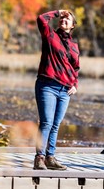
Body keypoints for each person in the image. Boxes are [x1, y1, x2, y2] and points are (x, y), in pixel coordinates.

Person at [33, 9, 80, 171]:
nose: (64, 20)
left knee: (55, 125)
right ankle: (39, 158)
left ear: (73, 25)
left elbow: (75, 67)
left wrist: (75, 84)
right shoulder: (50, 35)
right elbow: (41, 18)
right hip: (47, 85)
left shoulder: (74, 45)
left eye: (68, 19)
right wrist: (58, 12)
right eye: (62, 18)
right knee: (46, 123)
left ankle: (50, 158)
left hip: (65, 90)